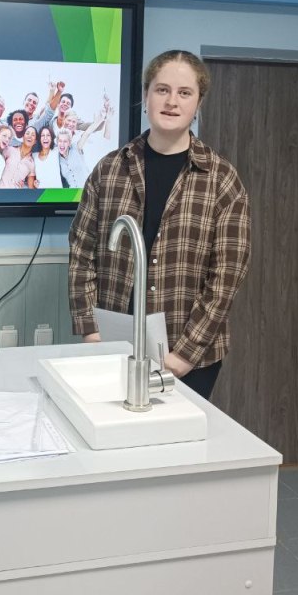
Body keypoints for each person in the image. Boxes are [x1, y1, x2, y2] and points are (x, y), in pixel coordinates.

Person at [67, 50, 250, 400]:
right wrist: (90, 330)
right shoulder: (109, 170)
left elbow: (227, 276)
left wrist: (184, 355)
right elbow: (81, 253)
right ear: (145, 96)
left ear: (198, 103)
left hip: (190, 357)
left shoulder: (222, 180)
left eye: (184, 93)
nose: (171, 101)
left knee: (176, 434)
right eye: (162, 89)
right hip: (114, 344)